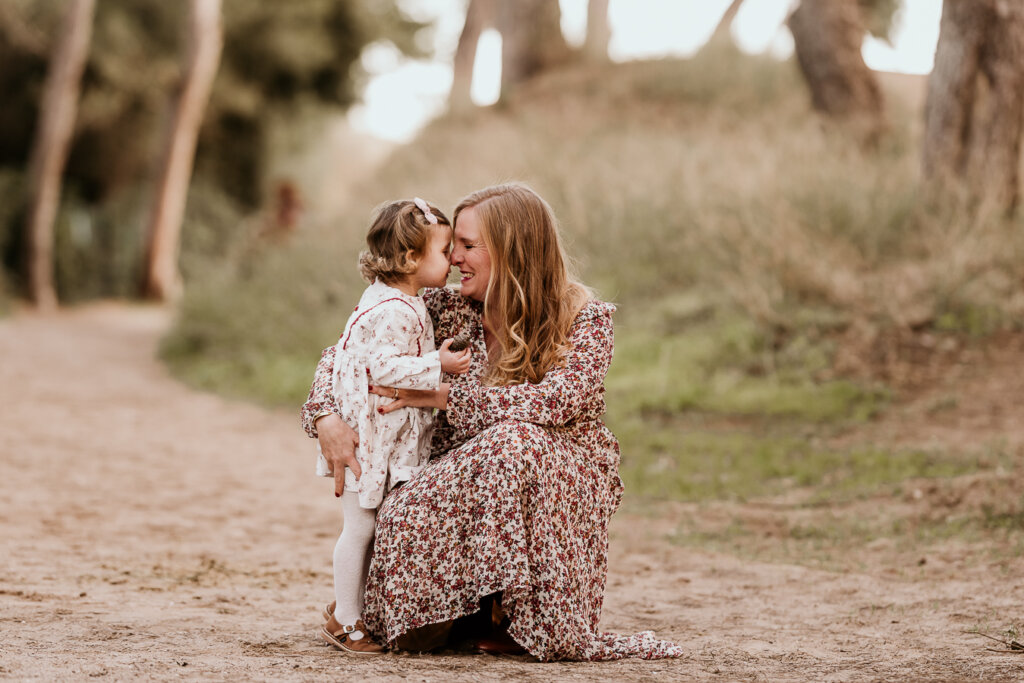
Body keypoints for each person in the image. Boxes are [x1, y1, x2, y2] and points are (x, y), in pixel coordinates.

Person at [303, 183, 682, 661]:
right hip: (457, 471)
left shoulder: (585, 319)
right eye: (452, 245)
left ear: (511, 251)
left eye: (467, 245)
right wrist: (325, 416)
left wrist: (445, 396)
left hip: (559, 472)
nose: (455, 258)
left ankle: (512, 611)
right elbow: (344, 353)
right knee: (404, 515)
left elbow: (556, 401)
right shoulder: (439, 309)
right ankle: (440, 612)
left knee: (513, 443)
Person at [314, 197, 472, 655]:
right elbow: (382, 368)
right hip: (371, 440)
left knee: (370, 528)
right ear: (409, 259)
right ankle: (345, 618)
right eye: (444, 252)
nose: (451, 261)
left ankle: (351, 609)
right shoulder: (395, 311)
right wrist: (436, 364)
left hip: (382, 435)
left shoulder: (393, 300)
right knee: (361, 529)